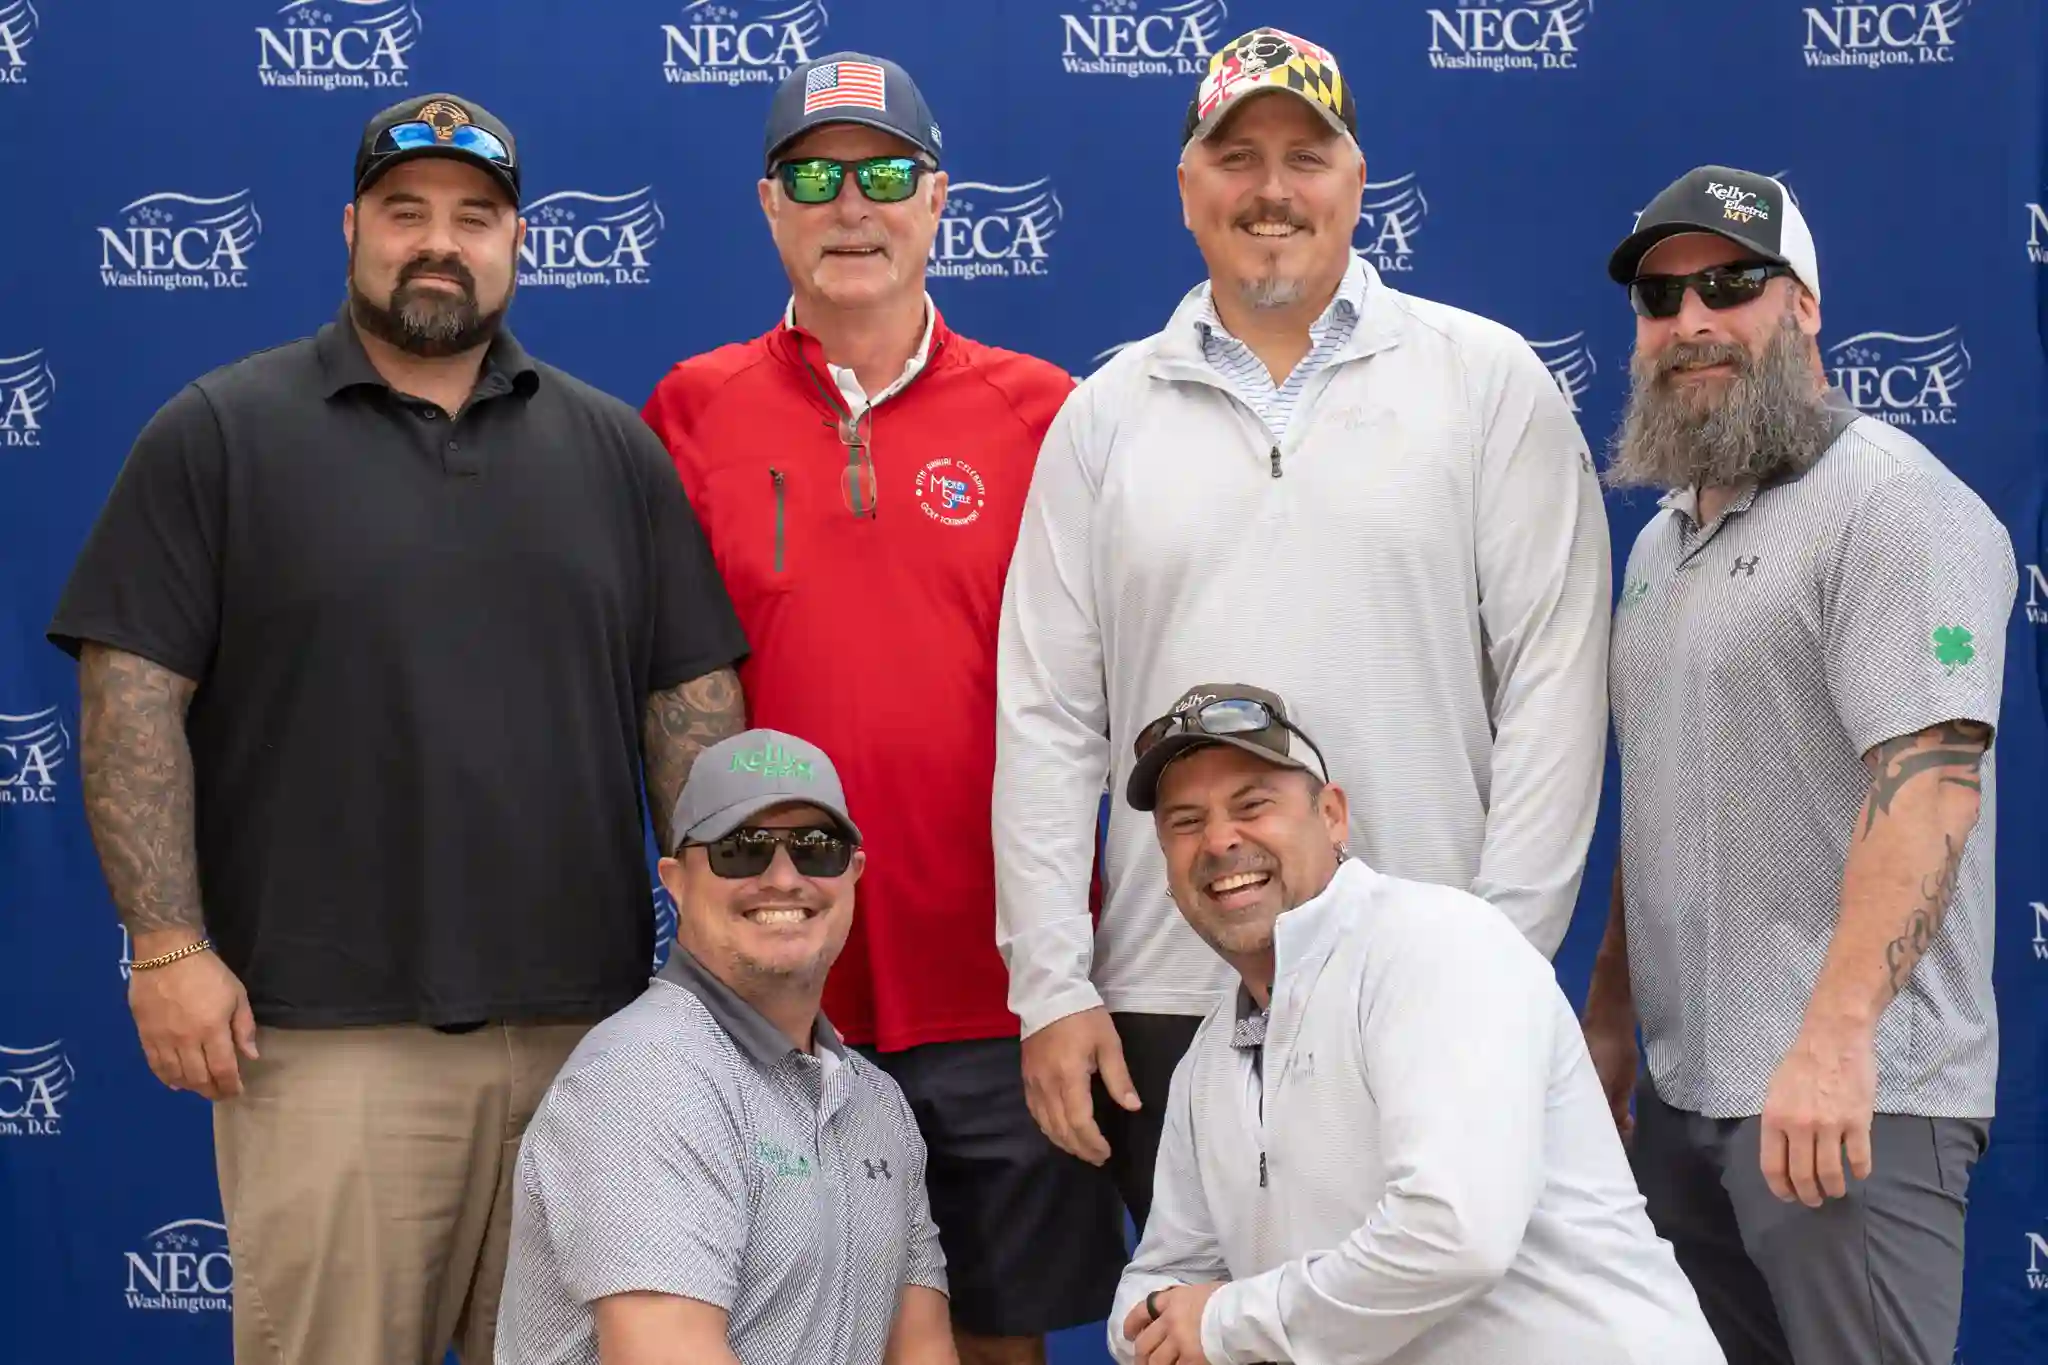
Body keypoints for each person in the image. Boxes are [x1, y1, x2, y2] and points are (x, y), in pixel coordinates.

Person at [46, 93, 749, 1365]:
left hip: (587, 1041)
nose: (439, 242)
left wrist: (711, 965)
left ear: (518, 242)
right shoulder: (220, 433)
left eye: (474, 218)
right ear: (350, 228)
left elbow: (688, 709)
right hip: (321, 1040)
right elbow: (132, 691)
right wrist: (164, 944)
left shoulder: (613, 452)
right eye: (405, 212)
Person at [993, 24, 1611, 1234]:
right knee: (1207, 1330)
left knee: (1432, 1332)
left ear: (1356, 182)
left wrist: (1497, 963)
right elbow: (1048, 717)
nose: (1270, 190)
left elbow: (1553, 684)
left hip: (1422, 982)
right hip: (1166, 991)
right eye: (1235, 157)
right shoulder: (1101, 418)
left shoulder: (1485, 382)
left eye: (1304, 156)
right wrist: (1051, 986)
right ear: (1185, 191)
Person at [639, 51, 1121, 1365]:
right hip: (777, 974)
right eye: (815, 174)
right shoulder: (692, 409)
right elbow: (661, 687)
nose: (853, 204)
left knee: (994, 1339)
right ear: (769, 204)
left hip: (999, 970)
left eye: (886, 173)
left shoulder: (1047, 413)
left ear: (940, 200)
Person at [1581, 165, 2017, 1365]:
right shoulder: (1661, 544)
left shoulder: (1891, 507)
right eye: (1660, 301)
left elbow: (1928, 782)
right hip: (1685, 1100)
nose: (1692, 322)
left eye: (1730, 283)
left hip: (1846, 1102)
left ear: (1805, 307)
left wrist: (1834, 1043)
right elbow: (1661, 795)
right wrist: (1612, 1018)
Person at [1105, 682, 1724, 1365]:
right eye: (1185, 822)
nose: (1220, 839)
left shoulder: (1435, 946)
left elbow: (1454, 1235)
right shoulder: (1210, 1060)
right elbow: (1161, 1274)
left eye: (1252, 805)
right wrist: (1169, 1324)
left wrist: (1223, 1322)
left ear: (1333, 815)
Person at [497, 729, 955, 1365]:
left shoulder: (877, 1103)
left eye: (816, 849)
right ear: (676, 881)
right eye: (742, 850)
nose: (784, 878)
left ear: (853, 873)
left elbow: (922, 1350)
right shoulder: (640, 1080)